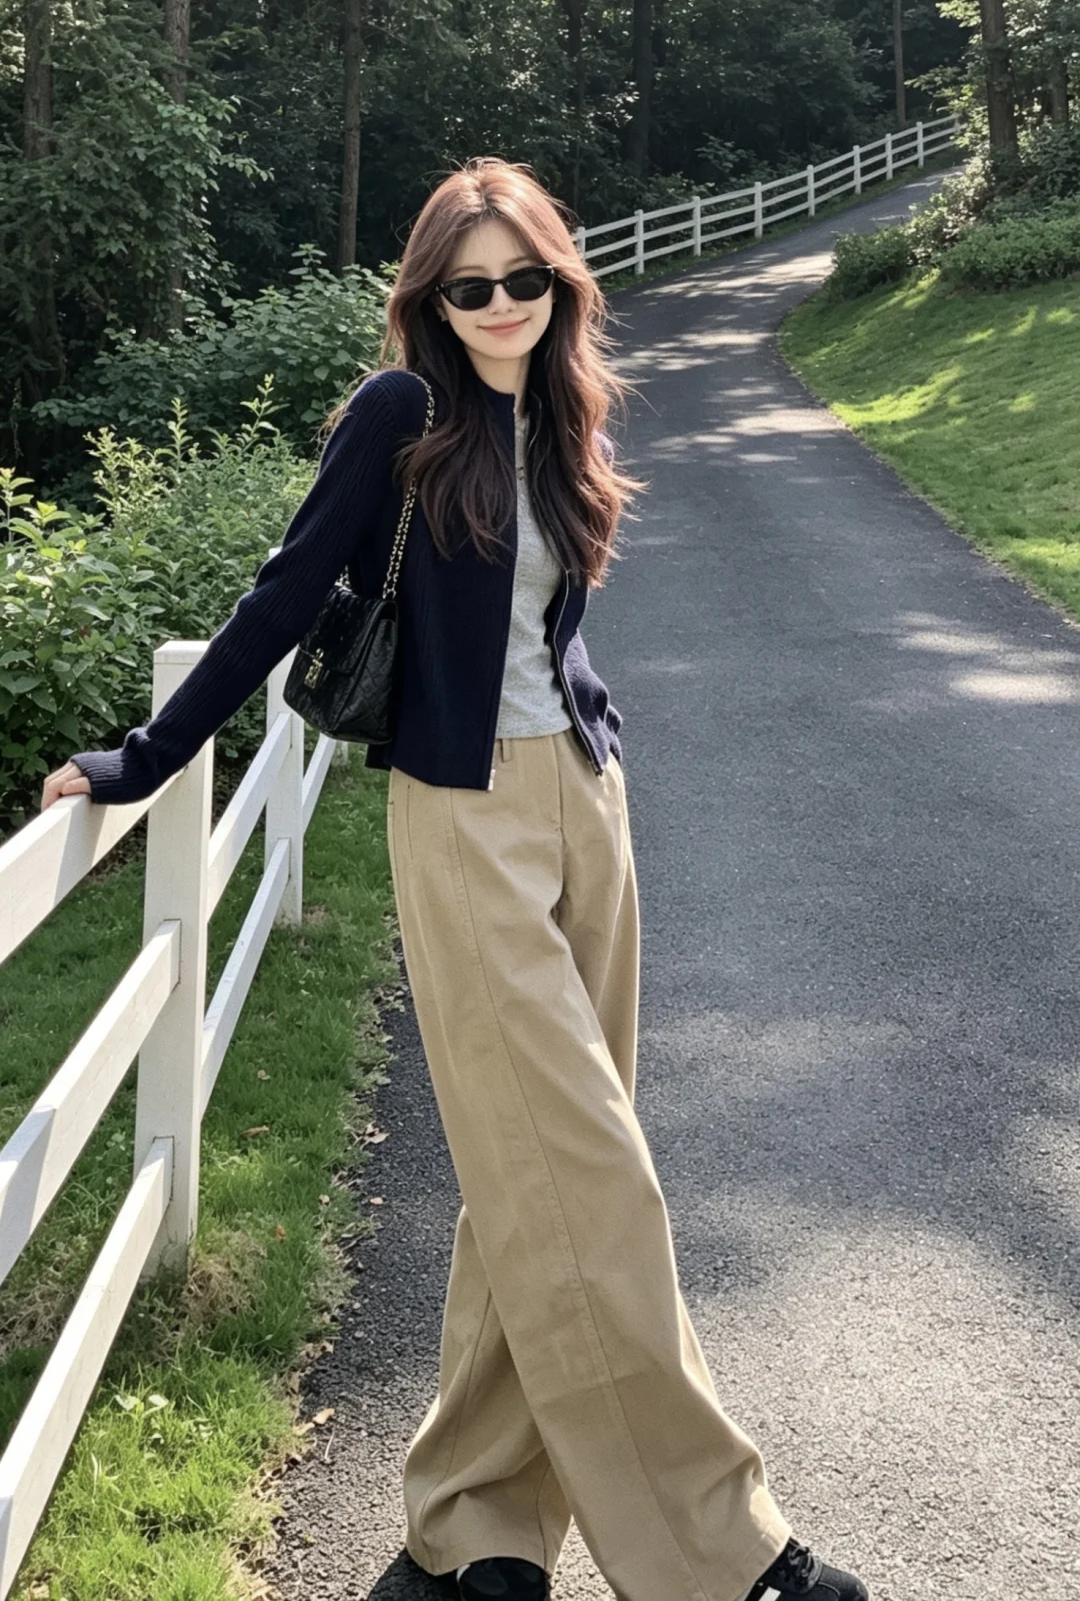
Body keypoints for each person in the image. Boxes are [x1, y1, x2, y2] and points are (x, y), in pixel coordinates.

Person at [43, 159, 869, 1601]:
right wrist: (149, 755)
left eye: (524, 280)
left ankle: (474, 1520)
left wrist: (588, 748)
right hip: (463, 812)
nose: (500, 305)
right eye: (470, 285)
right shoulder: (401, 411)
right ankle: (718, 1552)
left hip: (588, 801)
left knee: (529, 1174)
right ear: (432, 295)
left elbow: (551, 621)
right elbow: (286, 590)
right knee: (593, 1181)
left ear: (560, 283)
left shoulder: (559, 408)